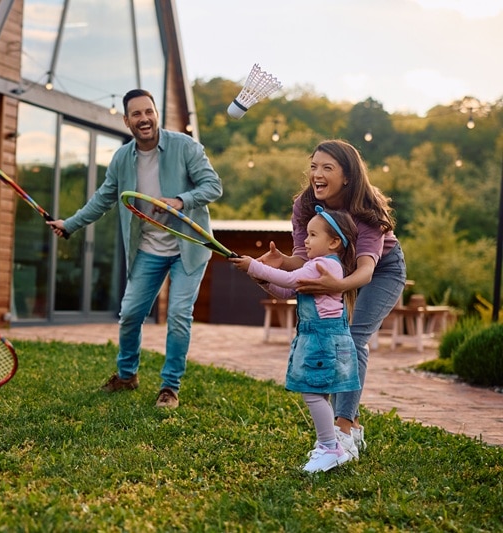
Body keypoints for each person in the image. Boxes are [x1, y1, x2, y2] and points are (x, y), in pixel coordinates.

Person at [47, 89, 222, 409]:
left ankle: (170, 387)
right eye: (137, 114)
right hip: (148, 249)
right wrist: (70, 224)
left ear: (157, 114)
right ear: (127, 121)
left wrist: (181, 201)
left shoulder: (185, 147)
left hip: (189, 247)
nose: (144, 119)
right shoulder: (122, 159)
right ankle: (127, 376)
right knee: (129, 314)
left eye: (149, 112)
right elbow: (103, 199)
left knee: (179, 314)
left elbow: (213, 186)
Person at [255, 139, 406, 459]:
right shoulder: (304, 206)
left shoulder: (367, 209)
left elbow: (365, 271)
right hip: (334, 270)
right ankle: (352, 427)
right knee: (336, 339)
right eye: (313, 166)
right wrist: (280, 264)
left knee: (353, 339)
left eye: (327, 168)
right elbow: (304, 260)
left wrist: (333, 284)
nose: (316, 174)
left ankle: (344, 429)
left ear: (348, 175)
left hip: (381, 271)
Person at [232, 207, 361, 472]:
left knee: (313, 395)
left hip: (322, 342)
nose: (305, 240)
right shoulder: (318, 266)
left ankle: (330, 447)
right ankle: (329, 446)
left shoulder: (324, 264)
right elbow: (286, 290)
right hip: (322, 339)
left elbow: (290, 277)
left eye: (313, 235)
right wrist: (261, 278)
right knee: (317, 394)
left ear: (334, 242)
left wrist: (254, 265)